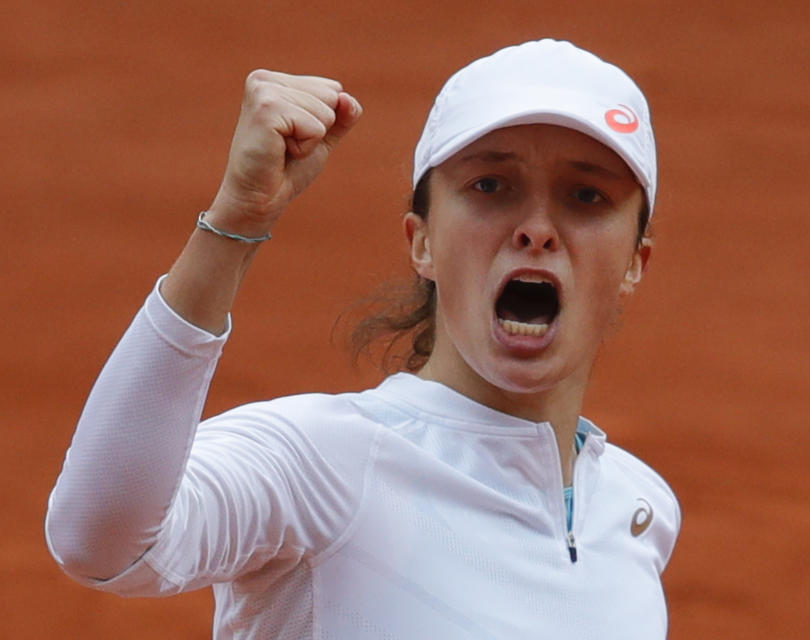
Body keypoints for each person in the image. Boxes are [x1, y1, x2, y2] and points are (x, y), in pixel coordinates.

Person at [45, 39, 680, 639]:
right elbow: (99, 540)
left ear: (634, 263)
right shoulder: (320, 463)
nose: (537, 228)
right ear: (422, 242)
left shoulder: (638, 513)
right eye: (490, 186)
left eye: (587, 195)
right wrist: (235, 221)